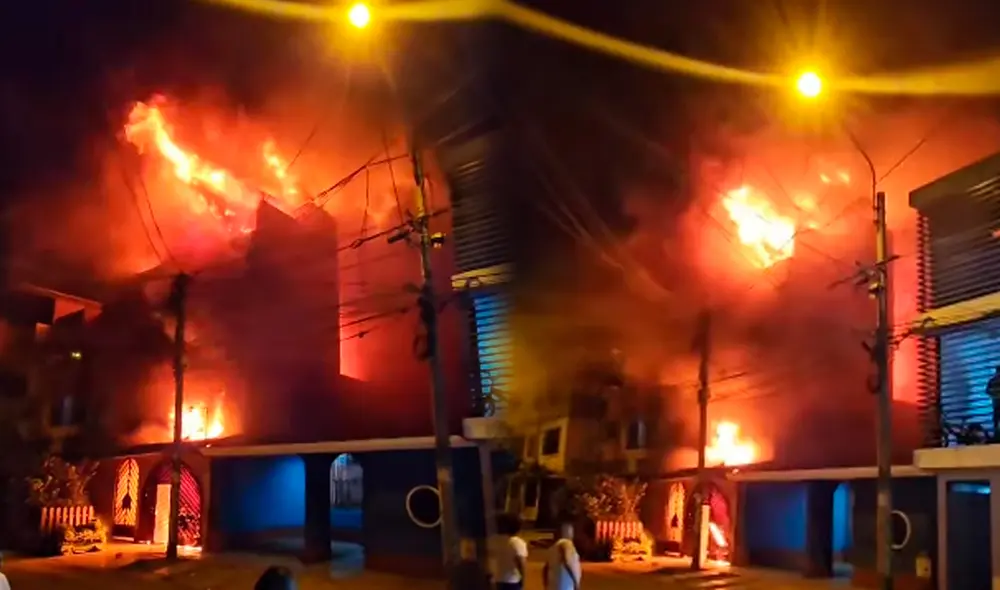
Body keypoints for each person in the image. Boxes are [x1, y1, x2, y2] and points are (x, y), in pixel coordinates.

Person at [543, 521, 581, 590]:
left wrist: (546, 585)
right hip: (565, 586)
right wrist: (575, 581)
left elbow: (545, 568)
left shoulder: (553, 548)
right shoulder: (566, 543)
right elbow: (567, 560)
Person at [495, 513, 528, 590]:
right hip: (512, 581)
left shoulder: (496, 540)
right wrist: (523, 581)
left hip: (498, 580)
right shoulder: (518, 543)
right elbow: (522, 564)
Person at [988, 365, 1000, 440]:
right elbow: (987, 391)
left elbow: (987, 391)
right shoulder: (992, 380)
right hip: (996, 405)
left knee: (996, 422)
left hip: (996, 405)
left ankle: (996, 437)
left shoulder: (992, 380)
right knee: (996, 422)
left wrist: (994, 394)